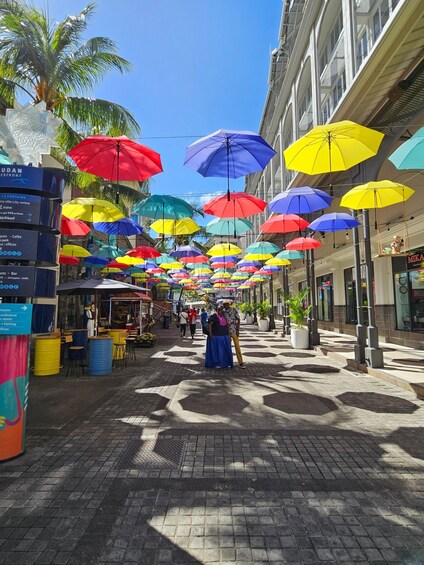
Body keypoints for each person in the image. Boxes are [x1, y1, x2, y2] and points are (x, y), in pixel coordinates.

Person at [222, 299, 246, 368]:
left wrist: (238, 329)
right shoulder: (223, 312)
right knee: (227, 347)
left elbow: (238, 319)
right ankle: (228, 362)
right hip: (226, 332)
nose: (225, 306)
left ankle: (240, 362)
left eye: (226, 304)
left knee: (237, 347)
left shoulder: (234, 310)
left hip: (234, 331)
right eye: (224, 305)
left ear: (228, 304)